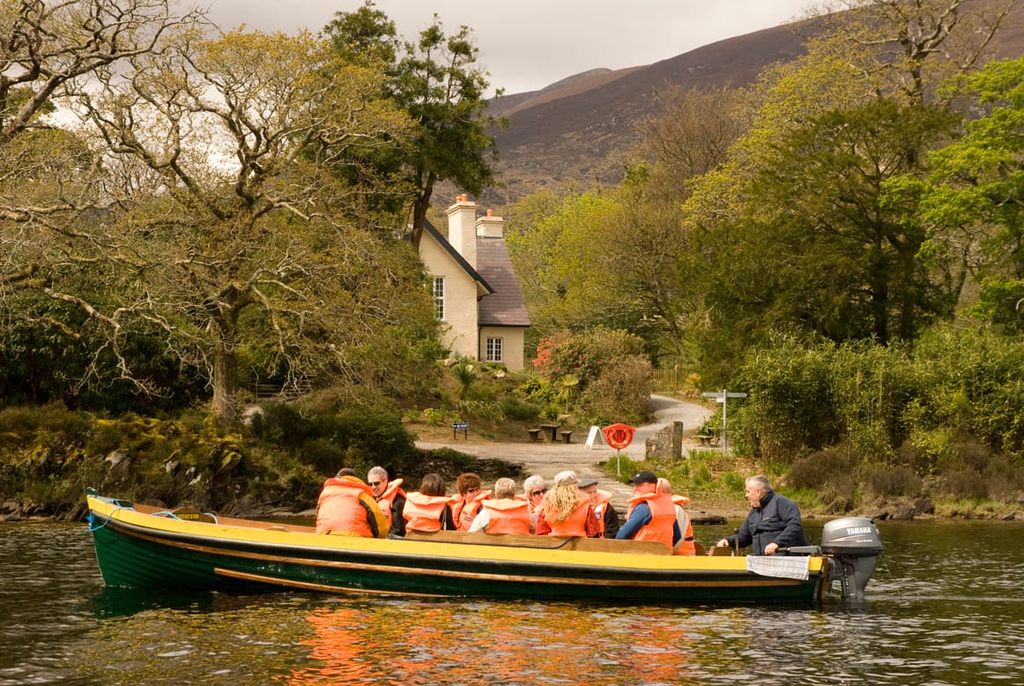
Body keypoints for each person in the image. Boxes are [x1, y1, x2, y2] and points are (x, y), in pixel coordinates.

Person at [715, 475, 808, 555]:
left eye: (748, 492)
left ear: (758, 492)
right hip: (760, 561)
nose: (746, 496)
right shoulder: (753, 513)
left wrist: (777, 543)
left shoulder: (782, 503)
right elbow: (744, 536)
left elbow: (795, 526)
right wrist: (728, 541)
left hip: (786, 559)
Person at [615, 470, 680, 551]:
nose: (635, 488)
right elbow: (677, 536)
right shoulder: (669, 506)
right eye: (634, 485)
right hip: (664, 555)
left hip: (641, 554)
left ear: (652, 487)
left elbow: (622, 535)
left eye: (640, 485)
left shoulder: (644, 508)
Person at [315, 467, 388, 537]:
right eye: (370, 484)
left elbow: (318, 514)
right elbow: (380, 525)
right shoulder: (361, 494)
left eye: (376, 483)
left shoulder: (324, 493)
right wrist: (380, 536)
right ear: (356, 479)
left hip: (323, 534)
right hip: (353, 537)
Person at [535, 470, 600, 538]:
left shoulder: (546, 506)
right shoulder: (585, 504)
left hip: (553, 545)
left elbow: (541, 532)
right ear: (574, 486)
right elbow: (593, 531)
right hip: (580, 544)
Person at [657, 478, 696, 556]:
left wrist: (668, 553)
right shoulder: (666, 508)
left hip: (682, 556)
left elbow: (679, 538)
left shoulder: (676, 508)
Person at [367, 466, 407, 537]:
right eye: (370, 484)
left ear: (385, 482)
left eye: (376, 483)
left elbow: (398, 532)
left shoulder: (398, 501)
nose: (373, 487)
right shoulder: (370, 499)